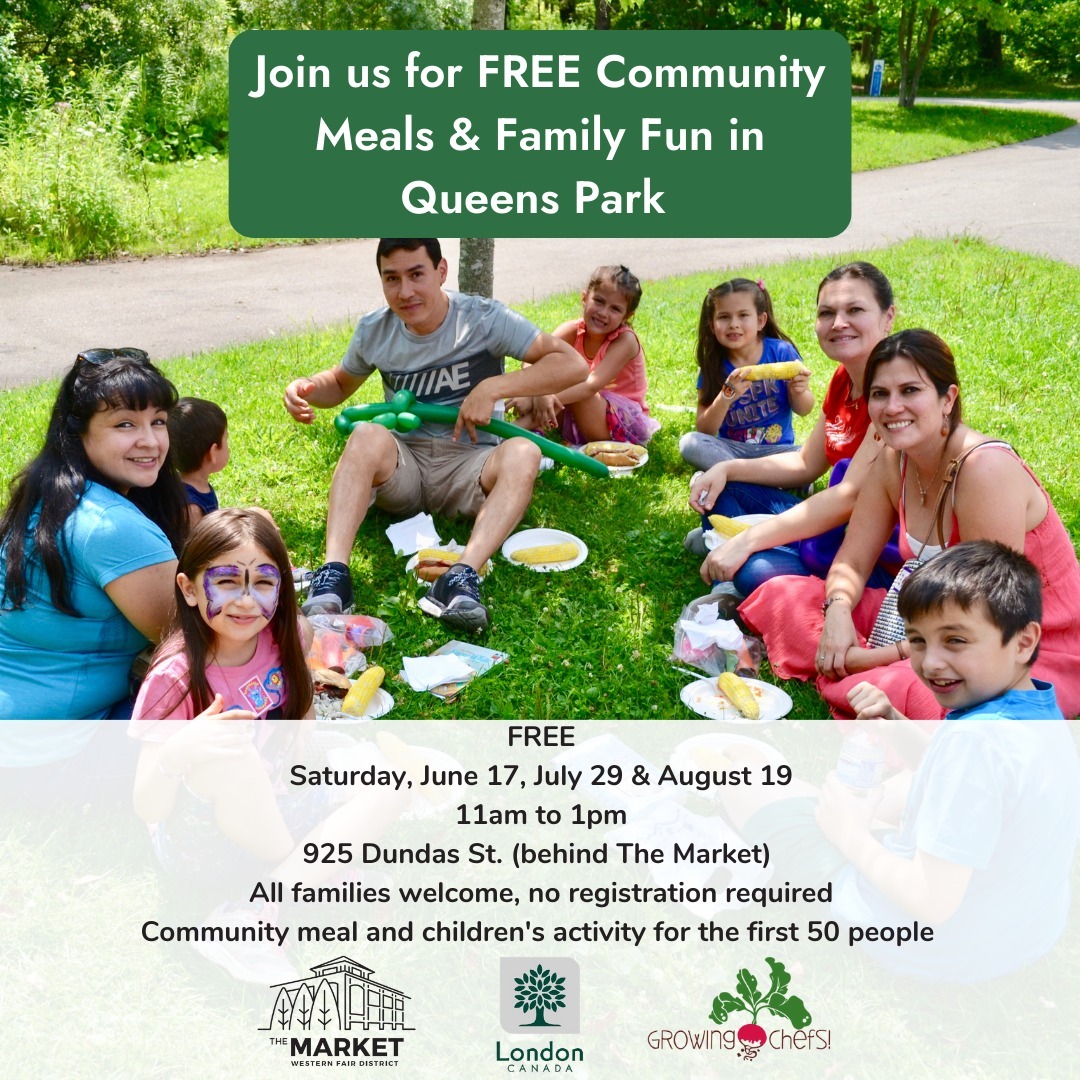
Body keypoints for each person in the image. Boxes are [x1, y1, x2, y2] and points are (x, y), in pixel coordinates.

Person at [720, 541, 1080, 983]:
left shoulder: (974, 745)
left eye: (956, 641)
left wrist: (849, 835)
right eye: (917, 642)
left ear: (1024, 641)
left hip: (930, 951)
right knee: (865, 800)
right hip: (1017, 939)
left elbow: (931, 902)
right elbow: (965, 784)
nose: (931, 663)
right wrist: (893, 720)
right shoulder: (1041, 711)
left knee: (740, 769)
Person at [738, 329, 1080, 719]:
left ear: (947, 399)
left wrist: (874, 657)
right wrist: (837, 613)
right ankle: (855, 668)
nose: (892, 407)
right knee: (783, 595)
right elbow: (851, 562)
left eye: (910, 391)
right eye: (880, 394)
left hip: (1014, 645)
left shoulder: (985, 470)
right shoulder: (892, 460)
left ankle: (862, 674)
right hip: (923, 621)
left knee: (905, 690)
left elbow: (985, 617)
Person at [282, 238, 586, 635]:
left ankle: (460, 577)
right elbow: (339, 385)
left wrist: (493, 388)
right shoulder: (376, 330)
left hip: (472, 467)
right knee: (366, 434)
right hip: (406, 466)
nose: (405, 291)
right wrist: (305, 387)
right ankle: (334, 575)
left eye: (416, 275)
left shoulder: (483, 318)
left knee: (525, 452)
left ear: (441, 271)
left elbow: (572, 364)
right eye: (392, 278)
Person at [0, 348, 187, 733]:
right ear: (78, 432)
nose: (150, 441)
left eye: (158, 421)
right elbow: (204, 636)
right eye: (125, 425)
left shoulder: (49, 492)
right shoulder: (110, 526)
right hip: (54, 745)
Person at [691, 262, 896, 596]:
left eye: (855, 310)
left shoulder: (893, 390)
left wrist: (749, 539)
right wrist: (725, 467)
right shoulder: (845, 379)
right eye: (827, 312)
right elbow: (805, 464)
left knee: (754, 571)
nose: (838, 323)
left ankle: (731, 567)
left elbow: (850, 498)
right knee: (720, 487)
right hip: (830, 527)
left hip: (867, 551)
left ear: (888, 316)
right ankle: (729, 559)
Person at [131, 507, 313, 720]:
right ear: (190, 590)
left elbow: (303, 708)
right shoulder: (171, 679)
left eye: (263, 582)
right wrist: (190, 741)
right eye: (226, 582)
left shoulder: (283, 638)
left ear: (280, 589)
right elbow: (151, 755)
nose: (246, 601)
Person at [508, 264, 658, 446]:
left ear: (627, 316)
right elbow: (531, 357)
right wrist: (536, 391)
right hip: (579, 413)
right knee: (553, 373)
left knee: (577, 386)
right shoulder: (573, 330)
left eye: (615, 309)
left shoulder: (625, 341)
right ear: (585, 297)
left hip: (618, 425)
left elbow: (589, 386)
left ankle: (515, 430)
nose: (603, 313)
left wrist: (542, 396)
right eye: (599, 301)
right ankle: (533, 431)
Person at [680, 277, 813, 472]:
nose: (734, 324)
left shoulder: (782, 353)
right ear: (712, 325)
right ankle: (765, 478)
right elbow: (705, 429)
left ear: (760, 321)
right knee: (690, 443)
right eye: (724, 317)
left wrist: (799, 391)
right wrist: (726, 396)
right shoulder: (713, 365)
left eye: (743, 315)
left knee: (811, 453)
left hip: (778, 451)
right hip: (734, 451)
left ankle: (734, 476)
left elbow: (804, 410)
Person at [167, 397, 229, 526]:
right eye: (226, 440)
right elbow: (196, 546)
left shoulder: (191, 485)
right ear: (213, 452)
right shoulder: (192, 510)